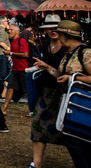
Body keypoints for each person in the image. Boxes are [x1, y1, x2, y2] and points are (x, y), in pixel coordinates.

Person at [34, 20, 91, 168]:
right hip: (71, 102)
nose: (57, 37)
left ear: (66, 35)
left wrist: (73, 78)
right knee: (81, 138)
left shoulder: (85, 52)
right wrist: (47, 67)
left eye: (60, 34)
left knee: (74, 138)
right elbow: (61, 74)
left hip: (83, 102)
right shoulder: (68, 54)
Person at [28, 14, 64, 168]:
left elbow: (63, 72)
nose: (53, 30)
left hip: (63, 92)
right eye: (50, 27)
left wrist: (48, 68)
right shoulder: (46, 46)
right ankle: (36, 163)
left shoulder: (67, 47)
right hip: (46, 90)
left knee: (69, 129)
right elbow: (44, 65)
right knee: (37, 123)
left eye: (56, 27)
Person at [1, 23, 29, 115]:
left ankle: (31, 110)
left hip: (23, 69)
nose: (9, 31)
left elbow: (25, 54)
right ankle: (4, 108)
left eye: (11, 30)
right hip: (15, 69)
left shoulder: (21, 41)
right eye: (9, 30)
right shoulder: (12, 42)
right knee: (10, 87)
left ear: (17, 31)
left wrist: (11, 53)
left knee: (27, 90)